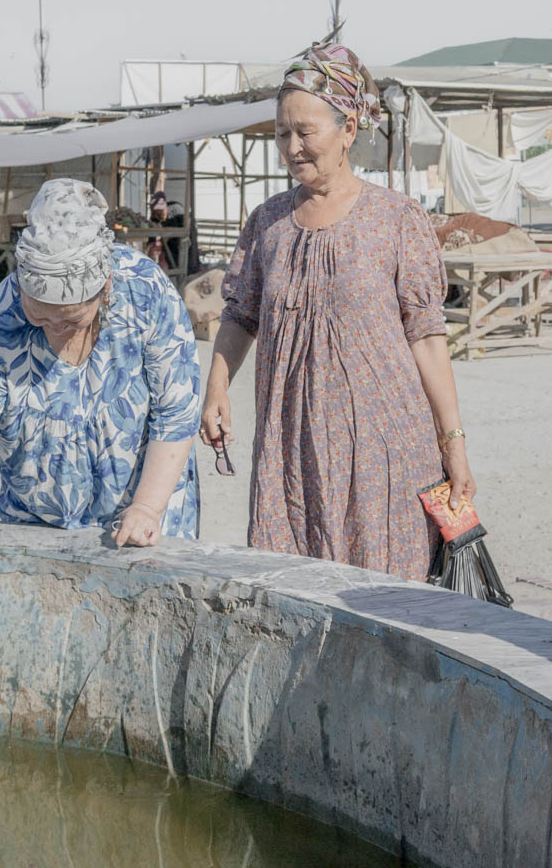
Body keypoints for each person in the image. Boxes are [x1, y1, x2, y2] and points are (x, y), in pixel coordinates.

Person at [200, 42, 476, 582]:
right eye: (282, 133)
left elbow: (426, 336)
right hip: (290, 448)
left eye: (306, 131)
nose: (292, 146)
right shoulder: (267, 223)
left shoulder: (397, 220)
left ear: (348, 129)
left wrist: (454, 445)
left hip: (383, 450)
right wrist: (216, 390)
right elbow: (240, 313)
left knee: (387, 598)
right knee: (295, 589)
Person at [0, 179, 203, 630]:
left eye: (70, 317)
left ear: (104, 285)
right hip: (40, 522)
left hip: (145, 518)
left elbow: (177, 410)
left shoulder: (146, 292)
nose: (54, 329)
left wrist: (148, 507)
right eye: (39, 314)